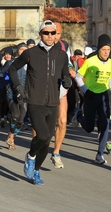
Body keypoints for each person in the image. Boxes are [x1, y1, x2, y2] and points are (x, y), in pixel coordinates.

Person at [9, 20, 71, 185]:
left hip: (53, 102)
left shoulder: (61, 55)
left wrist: (67, 81)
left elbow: (65, 74)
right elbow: (12, 69)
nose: (50, 36)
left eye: (53, 33)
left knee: (46, 140)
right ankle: (30, 156)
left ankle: (36, 170)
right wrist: (18, 87)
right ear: (40, 34)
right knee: (42, 136)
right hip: (35, 101)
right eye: (46, 33)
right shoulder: (31, 53)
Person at [73, 34, 111, 164]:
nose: (106, 52)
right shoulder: (90, 62)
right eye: (104, 49)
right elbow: (78, 77)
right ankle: (79, 115)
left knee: (105, 124)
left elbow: (110, 79)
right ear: (98, 49)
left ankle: (100, 154)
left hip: (104, 96)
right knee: (89, 128)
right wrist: (86, 91)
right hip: (90, 96)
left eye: (108, 50)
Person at [50, 21, 73, 169]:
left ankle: (56, 153)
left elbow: (69, 62)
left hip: (60, 87)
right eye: (53, 33)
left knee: (62, 121)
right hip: (44, 88)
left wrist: (70, 70)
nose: (55, 36)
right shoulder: (42, 46)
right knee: (44, 123)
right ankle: (37, 147)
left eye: (58, 33)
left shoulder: (65, 46)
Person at [5, 43, 28, 150]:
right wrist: (7, 81)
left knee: (21, 120)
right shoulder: (11, 62)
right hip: (12, 94)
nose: (23, 51)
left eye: (25, 49)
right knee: (15, 115)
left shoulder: (31, 63)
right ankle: (11, 140)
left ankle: (11, 134)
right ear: (17, 51)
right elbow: (0, 73)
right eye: (21, 49)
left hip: (24, 95)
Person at [0, 47, 13, 128]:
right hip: (2, 84)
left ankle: (9, 116)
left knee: (10, 101)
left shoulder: (14, 62)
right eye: (6, 54)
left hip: (10, 83)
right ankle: (3, 117)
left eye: (9, 54)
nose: (7, 56)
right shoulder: (2, 62)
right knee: (3, 101)